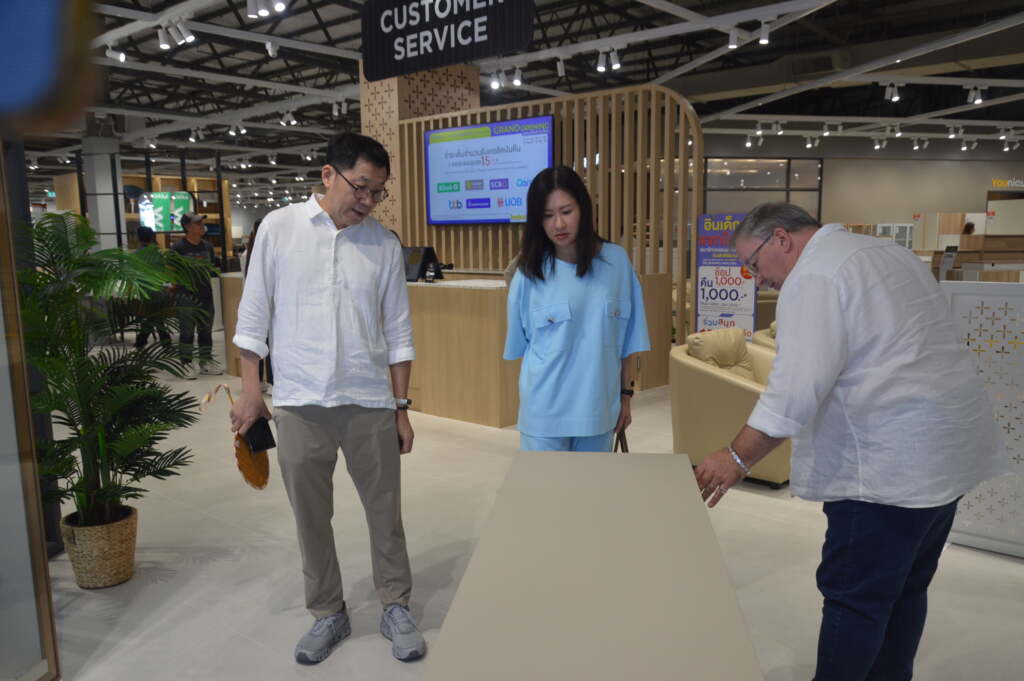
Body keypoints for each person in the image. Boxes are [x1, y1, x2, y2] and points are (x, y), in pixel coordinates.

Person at [693, 203, 1005, 681]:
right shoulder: (886, 253)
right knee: (905, 588)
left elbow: (795, 390)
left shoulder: (815, 275)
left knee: (855, 599)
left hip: (885, 471)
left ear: (781, 238)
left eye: (753, 264)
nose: (756, 279)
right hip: (944, 456)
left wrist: (736, 457)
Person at [230, 132, 424, 666]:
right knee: (311, 518)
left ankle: (395, 605)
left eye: (377, 191)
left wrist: (401, 409)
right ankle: (327, 612)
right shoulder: (279, 229)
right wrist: (251, 392)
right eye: (361, 186)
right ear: (327, 175)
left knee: (385, 513)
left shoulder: (383, 245)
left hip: (370, 403)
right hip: (299, 403)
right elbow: (254, 317)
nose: (368, 200)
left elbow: (399, 333)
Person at [503, 166, 650, 451]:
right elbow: (524, 346)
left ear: (583, 208)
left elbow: (628, 341)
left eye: (566, 211)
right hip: (544, 416)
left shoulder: (617, 263)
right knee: (544, 483)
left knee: (592, 483)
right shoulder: (528, 273)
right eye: (547, 215)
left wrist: (626, 395)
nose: (558, 224)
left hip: (598, 412)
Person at [171, 212, 222, 378]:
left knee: (206, 330)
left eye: (202, 223)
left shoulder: (208, 247)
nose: (202, 226)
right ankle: (185, 363)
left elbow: (211, 268)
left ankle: (205, 361)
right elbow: (171, 271)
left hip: (206, 295)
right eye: (198, 223)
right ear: (187, 227)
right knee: (187, 331)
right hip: (186, 296)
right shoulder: (178, 248)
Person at [241, 219, 272, 394]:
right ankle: (266, 381)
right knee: (261, 343)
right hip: (267, 305)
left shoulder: (250, 252)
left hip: (260, 305)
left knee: (258, 343)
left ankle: (259, 381)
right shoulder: (253, 253)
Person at [133, 226, 171, 348]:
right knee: (156, 316)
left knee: (152, 316)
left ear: (138, 237)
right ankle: (164, 340)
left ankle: (142, 340)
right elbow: (164, 273)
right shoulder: (158, 254)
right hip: (158, 289)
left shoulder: (135, 255)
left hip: (144, 290)